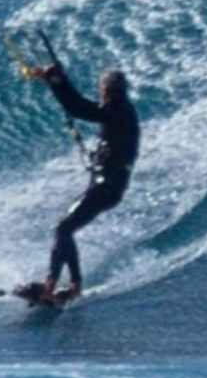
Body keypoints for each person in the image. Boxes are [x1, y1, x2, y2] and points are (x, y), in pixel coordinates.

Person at [13, 45, 138, 298]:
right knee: (65, 229)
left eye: (102, 89)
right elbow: (83, 108)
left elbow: (79, 108)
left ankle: (52, 286)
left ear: (107, 90)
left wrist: (56, 80)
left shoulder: (117, 109)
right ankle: (73, 286)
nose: (100, 93)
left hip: (107, 185)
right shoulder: (121, 110)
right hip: (107, 185)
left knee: (63, 229)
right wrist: (57, 80)